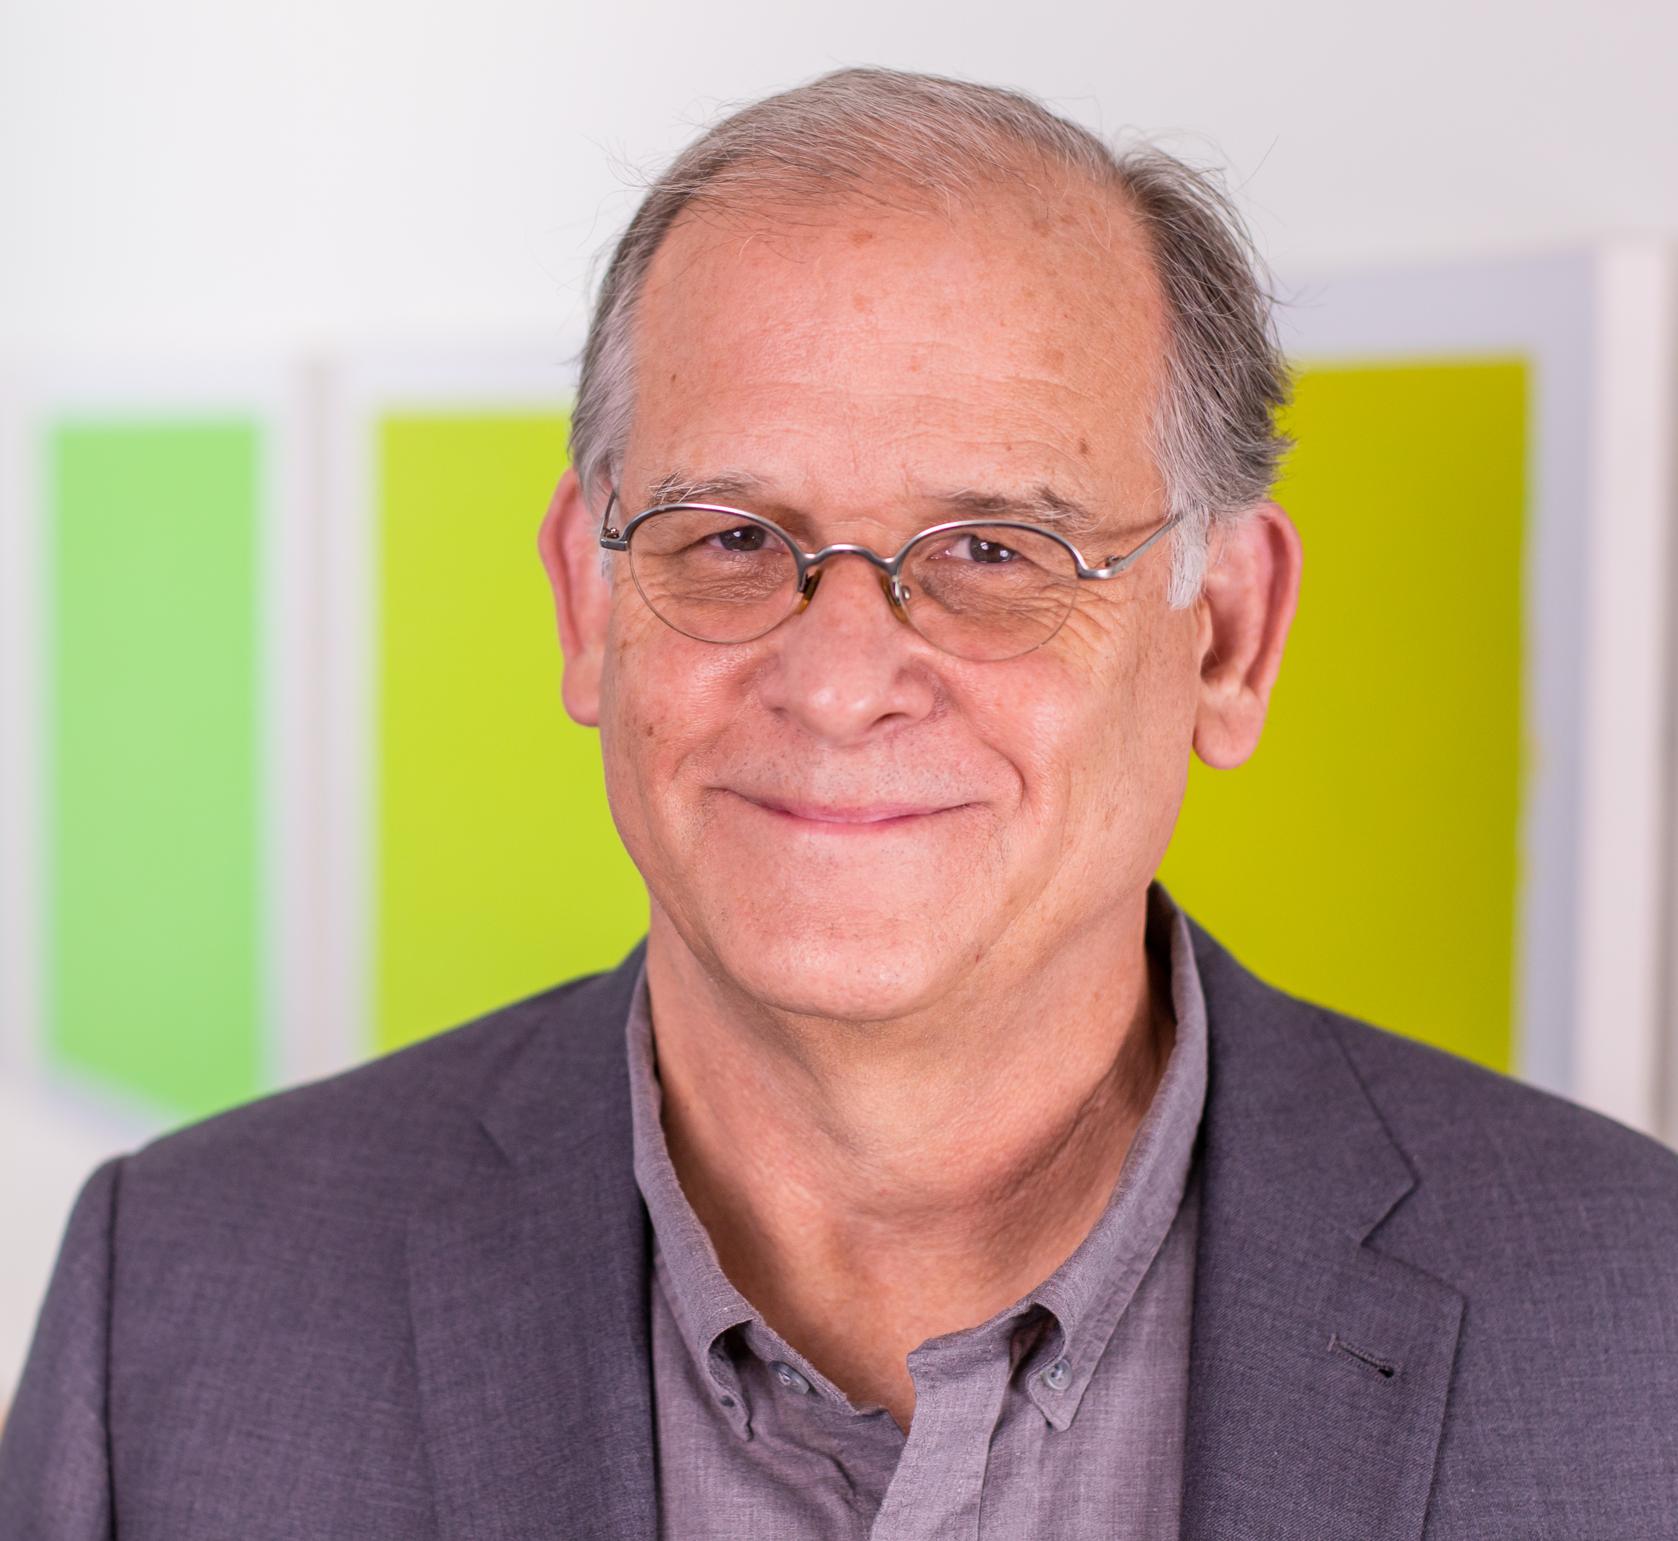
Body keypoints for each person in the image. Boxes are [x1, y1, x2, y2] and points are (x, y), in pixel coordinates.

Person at [3, 65, 1675, 1541]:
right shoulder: (181, 1304)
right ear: (590, 611)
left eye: (994, 553)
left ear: (1226, 635)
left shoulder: (1635, 1326)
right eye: (730, 535)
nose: (838, 675)